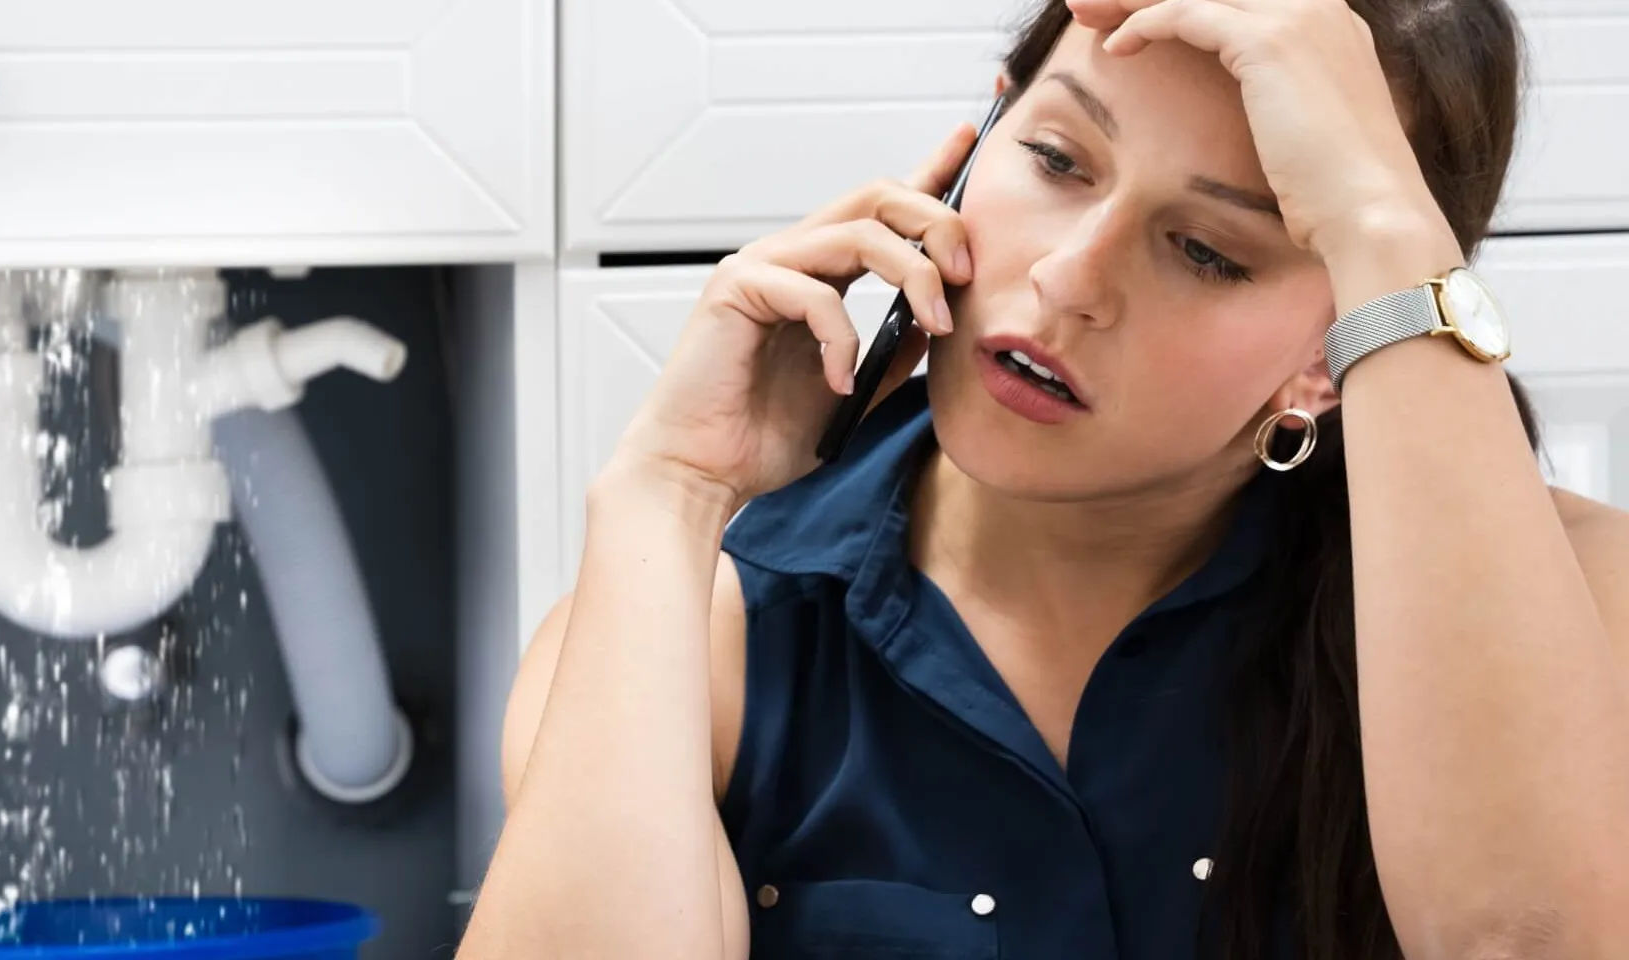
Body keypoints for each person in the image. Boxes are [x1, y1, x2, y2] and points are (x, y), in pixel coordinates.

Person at [458, 0, 1629, 957]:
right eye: (1057, 158)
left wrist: (1379, 221)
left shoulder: (1580, 602)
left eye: (1207, 250)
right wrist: (667, 488)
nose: (1070, 276)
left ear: (1328, 356)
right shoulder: (688, 634)